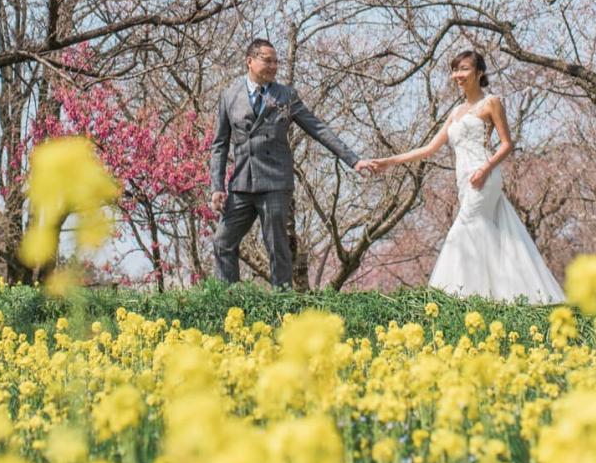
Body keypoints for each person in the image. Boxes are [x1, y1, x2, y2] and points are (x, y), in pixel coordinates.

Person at [366, 49, 563, 303]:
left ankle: (462, 298)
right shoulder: (456, 112)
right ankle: (497, 296)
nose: (458, 75)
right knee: (478, 232)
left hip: (484, 175)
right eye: (455, 70)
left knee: (464, 230)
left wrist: (486, 168)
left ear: (479, 72)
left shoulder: (491, 102)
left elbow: (506, 144)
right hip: (464, 181)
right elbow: (429, 149)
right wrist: (389, 161)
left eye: (464, 69)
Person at [210, 37, 373, 287]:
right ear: (249, 61)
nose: (274, 66)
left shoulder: (286, 95)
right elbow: (219, 145)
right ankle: (229, 302)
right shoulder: (229, 96)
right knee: (222, 242)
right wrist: (217, 187)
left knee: (277, 247)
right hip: (241, 184)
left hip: (275, 183)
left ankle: (282, 305)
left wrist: (354, 160)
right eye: (268, 61)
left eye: (277, 61)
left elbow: (319, 129)